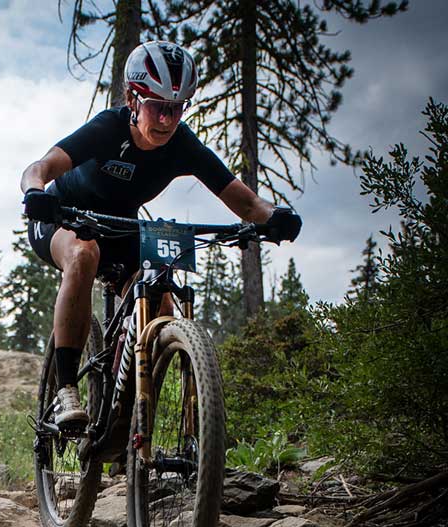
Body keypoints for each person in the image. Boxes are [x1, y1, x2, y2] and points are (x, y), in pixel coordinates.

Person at [20, 40, 302, 428]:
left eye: (176, 108)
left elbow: (249, 204)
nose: (167, 120)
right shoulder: (107, 129)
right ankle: (66, 387)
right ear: (133, 99)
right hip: (63, 218)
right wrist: (35, 193)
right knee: (84, 254)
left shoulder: (181, 146)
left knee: (162, 304)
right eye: (158, 107)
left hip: (120, 229)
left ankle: (123, 414)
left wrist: (278, 216)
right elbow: (40, 166)